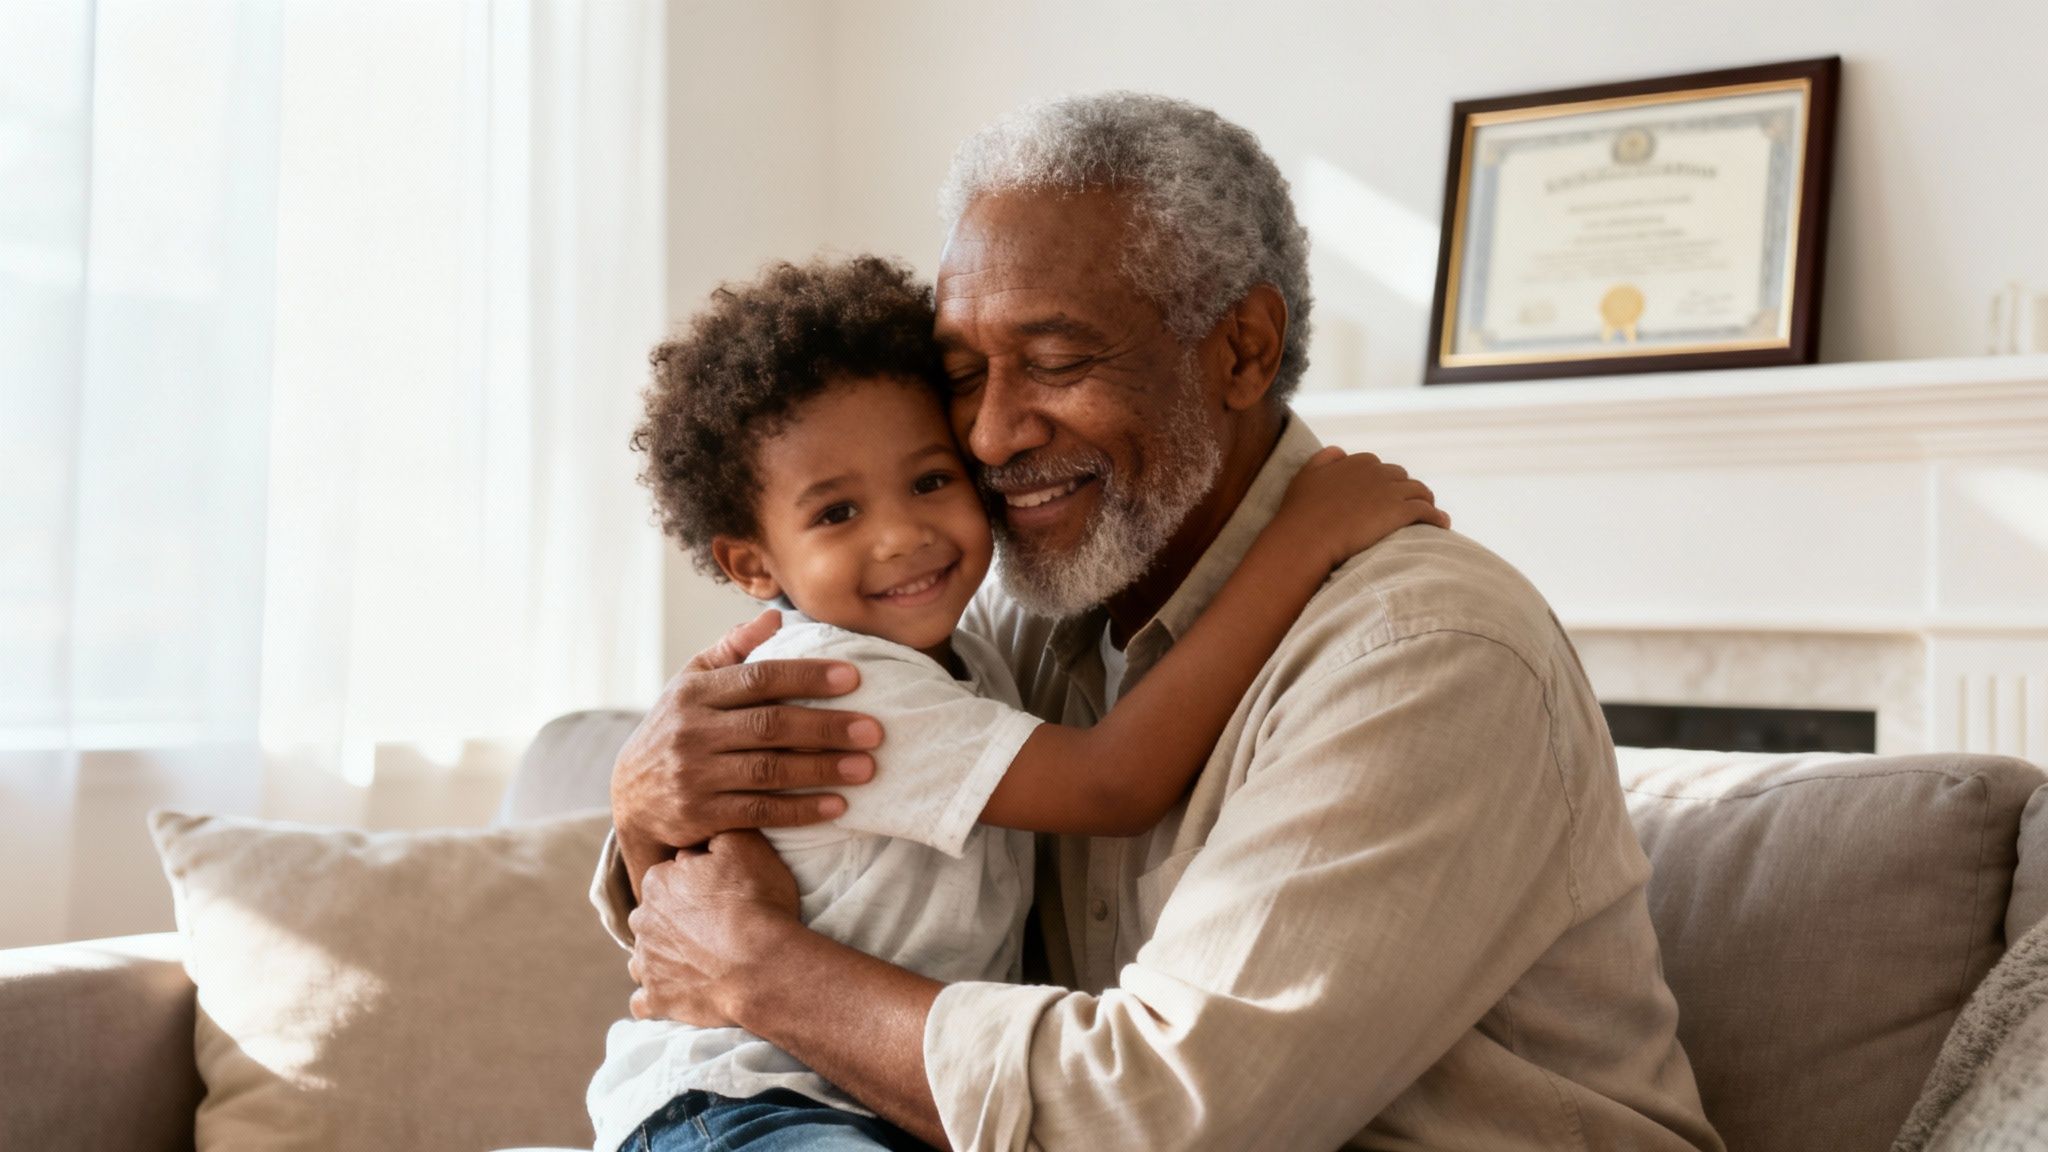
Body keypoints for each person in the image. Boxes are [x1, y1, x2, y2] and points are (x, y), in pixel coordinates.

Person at [603, 93, 1725, 1151]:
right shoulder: (1020, 618)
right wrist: (651, 800)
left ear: (1240, 350)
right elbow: (801, 880)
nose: (989, 436)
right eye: (960, 373)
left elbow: (1162, 1122)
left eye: (1055, 360)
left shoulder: (1422, 651)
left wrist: (763, 973)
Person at [591, 255, 1448, 1152]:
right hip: (749, 1105)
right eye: (837, 514)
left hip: (872, 1098)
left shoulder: (969, 649)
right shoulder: (847, 679)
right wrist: (1303, 539)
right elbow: (1112, 785)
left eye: (929, 481)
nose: (904, 535)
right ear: (753, 566)